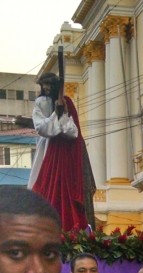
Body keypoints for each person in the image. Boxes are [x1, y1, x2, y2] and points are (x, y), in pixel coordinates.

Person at [28, 71, 95, 231]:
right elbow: (42, 128)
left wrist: (63, 113)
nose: (47, 89)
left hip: (66, 155)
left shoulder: (67, 103)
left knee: (66, 191)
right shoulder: (41, 103)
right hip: (47, 151)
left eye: (50, 85)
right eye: (45, 86)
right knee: (42, 187)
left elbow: (73, 132)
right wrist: (55, 114)